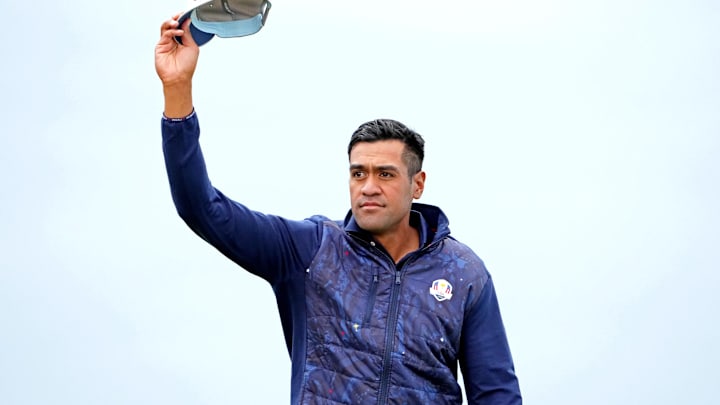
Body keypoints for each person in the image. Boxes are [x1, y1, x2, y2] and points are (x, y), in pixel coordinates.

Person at [155, 15, 522, 405]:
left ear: (418, 184)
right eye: (358, 173)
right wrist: (177, 89)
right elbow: (202, 209)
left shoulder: (463, 273)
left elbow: (497, 395)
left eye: (385, 174)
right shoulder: (310, 250)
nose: (368, 187)